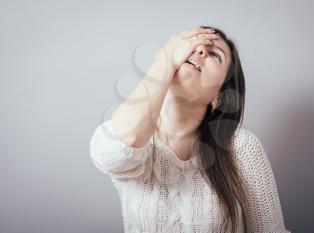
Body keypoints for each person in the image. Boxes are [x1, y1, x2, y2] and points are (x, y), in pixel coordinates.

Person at [90, 25, 291, 233]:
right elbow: (126, 146)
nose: (200, 50)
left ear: (219, 96)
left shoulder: (242, 147)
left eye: (215, 54)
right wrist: (164, 60)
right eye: (191, 44)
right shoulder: (126, 132)